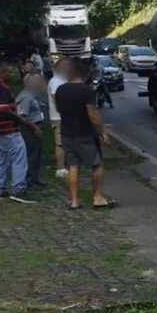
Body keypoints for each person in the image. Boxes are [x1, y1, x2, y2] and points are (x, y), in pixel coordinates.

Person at [55, 59, 114, 210]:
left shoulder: (61, 90)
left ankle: (74, 201)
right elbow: (92, 114)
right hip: (85, 134)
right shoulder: (87, 91)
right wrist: (102, 133)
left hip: (67, 133)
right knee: (97, 164)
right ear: (84, 74)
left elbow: (58, 108)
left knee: (73, 166)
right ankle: (98, 197)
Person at [0, 64, 41, 203]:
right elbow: (5, 110)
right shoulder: (3, 90)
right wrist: (27, 124)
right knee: (19, 158)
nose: (14, 75)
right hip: (8, 130)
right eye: (10, 72)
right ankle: (18, 189)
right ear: (2, 73)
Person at [16, 74, 47, 188]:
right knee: (31, 154)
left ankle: (35, 178)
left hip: (35, 127)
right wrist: (35, 128)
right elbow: (22, 117)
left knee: (36, 154)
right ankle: (28, 180)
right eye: (37, 81)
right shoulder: (26, 97)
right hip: (29, 129)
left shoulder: (32, 95)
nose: (40, 83)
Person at [48, 59, 69, 179]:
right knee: (60, 143)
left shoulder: (61, 80)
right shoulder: (56, 81)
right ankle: (60, 168)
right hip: (59, 117)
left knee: (65, 142)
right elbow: (56, 97)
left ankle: (65, 166)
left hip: (61, 116)